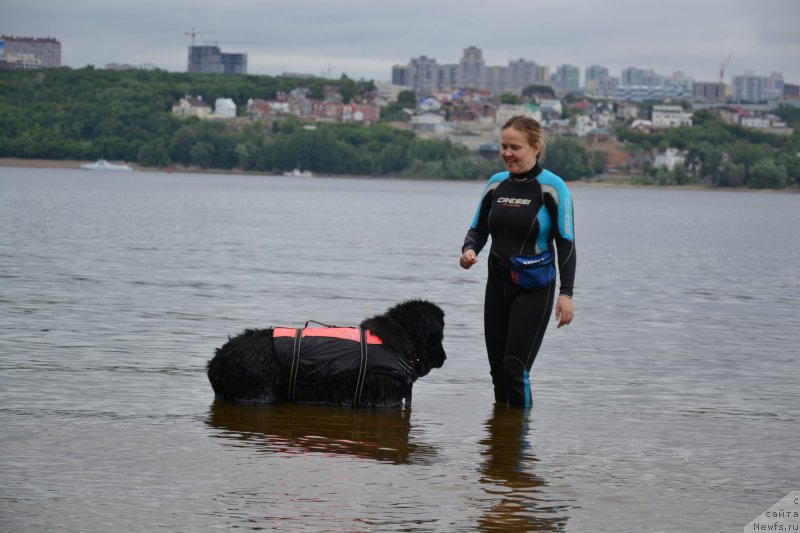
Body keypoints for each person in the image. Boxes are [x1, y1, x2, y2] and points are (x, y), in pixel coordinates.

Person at [459, 115, 576, 407]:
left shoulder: (552, 187)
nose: (507, 154)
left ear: (535, 147)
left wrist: (566, 294)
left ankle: (519, 445)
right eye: (503, 146)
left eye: (515, 147)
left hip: (534, 289)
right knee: (498, 372)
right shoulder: (496, 184)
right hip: (497, 286)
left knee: (515, 369)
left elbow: (566, 242)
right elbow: (478, 228)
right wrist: (469, 249)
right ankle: (500, 446)